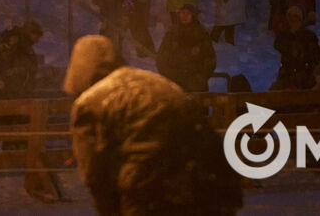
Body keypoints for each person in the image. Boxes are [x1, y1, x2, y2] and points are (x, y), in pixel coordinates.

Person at [64, 35, 242, 216]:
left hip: (152, 192)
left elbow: (94, 173)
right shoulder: (155, 82)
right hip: (211, 181)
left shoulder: (90, 103)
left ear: (78, 71)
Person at [0, 20, 44, 150]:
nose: (37, 40)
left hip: (20, 91)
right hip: (12, 92)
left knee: (19, 123)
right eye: (35, 36)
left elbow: (29, 67)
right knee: (13, 122)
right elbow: (4, 68)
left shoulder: (24, 46)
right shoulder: (15, 44)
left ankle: (17, 148)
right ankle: (13, 149)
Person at [156, 4, 216, 93]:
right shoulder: (172, 34)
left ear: (193, 16)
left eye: (188, 13)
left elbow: (210, 59)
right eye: (182, 13)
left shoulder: (201, 35)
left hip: (195, 83)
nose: (185, 16)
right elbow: (161, 59)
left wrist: (200, 77)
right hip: (174, 83)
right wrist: (170, 75)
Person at [271, 6, 320, 90]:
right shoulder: (283, 36)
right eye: (290, 16)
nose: (293, 19)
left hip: (305, 75)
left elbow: (315, 57)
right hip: (287, 75)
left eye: (295, 16)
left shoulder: (309, 36)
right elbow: (278, 49)